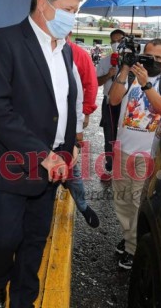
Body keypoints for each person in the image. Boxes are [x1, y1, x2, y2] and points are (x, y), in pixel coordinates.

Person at [0, 0, 83, 308]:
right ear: (43, 4)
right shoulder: (3, 41)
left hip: (52, 167)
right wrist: (41, 154)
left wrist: (71, 147)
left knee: (35, 240)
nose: (73, 17)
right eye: (68, 8)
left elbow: (65, 104)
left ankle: (23, 300)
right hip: (11, 162)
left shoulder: (65, 52)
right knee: (3, 240)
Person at [108, 38, 161, 269]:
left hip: (147, 155)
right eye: (148, 55)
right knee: (121, 201)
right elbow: (113, 99)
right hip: (123, 150)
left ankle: (134, 249)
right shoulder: (130, 75)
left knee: (138, 202)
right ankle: (130, 238)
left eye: (157, 58)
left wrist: (146, 85)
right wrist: (124, 67)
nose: (151, 61)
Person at [65, 35, 100, 227]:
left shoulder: (75, 55)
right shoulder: (30, 51)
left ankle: (83, 206)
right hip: (36, 128)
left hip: (66, 127)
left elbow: (86, 89)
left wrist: (80, 124)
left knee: (72, 169)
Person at [96, 29, 125, 177]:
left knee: (124, 135)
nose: (116, 44)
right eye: (113, 41)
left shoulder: (132, 61)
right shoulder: (105, 61)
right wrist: (109, 75)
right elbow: (96, 82)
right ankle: (110, 166)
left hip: (126, 105)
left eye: (119, 41)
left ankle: (124, 167)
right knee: (109, 135)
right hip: (109, 104)